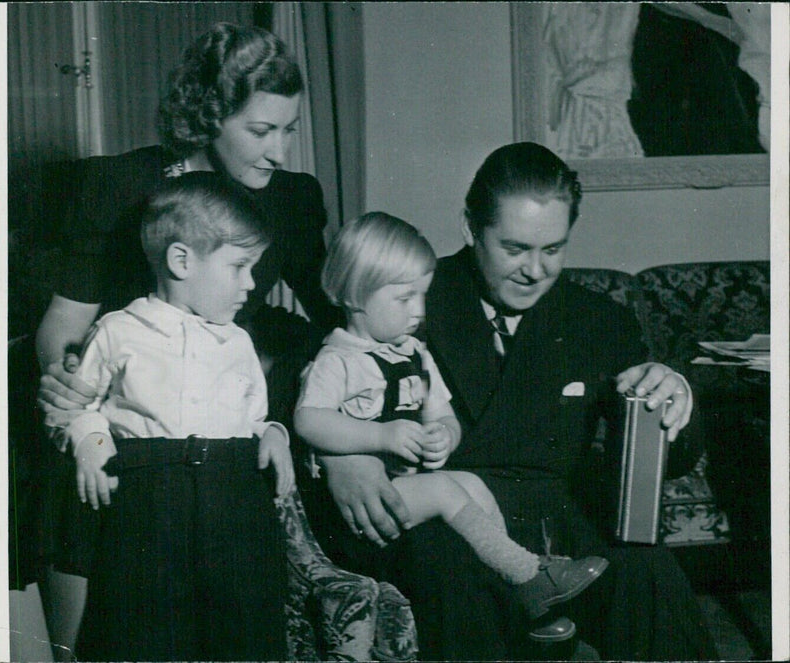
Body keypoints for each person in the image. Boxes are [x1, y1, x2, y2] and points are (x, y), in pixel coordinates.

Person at [304, 143, 719, 660]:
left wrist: (674, 399)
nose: (535, 271)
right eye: (515, 249)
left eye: (553, 250)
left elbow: (672, 461)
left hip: (557, 516)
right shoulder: (411, 296)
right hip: (447, 521)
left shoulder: (598, 319)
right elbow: (324, 372)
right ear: (471, 230)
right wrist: (345, 456)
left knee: (647, 571)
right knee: (452, 578)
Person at [30, 22, 340, 658]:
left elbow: (336, 318)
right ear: (207, 117)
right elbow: (64, 329)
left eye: (290, 129)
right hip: (127, 391)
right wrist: (68, 383)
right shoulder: (121, 187)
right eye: (261, 130)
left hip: (235, 399)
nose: (280, 150)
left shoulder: (293, 201)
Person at [295, 212, 608, 643]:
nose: (419, 311)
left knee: (474, 486)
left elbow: (441, 411)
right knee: (446, 492)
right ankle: (529, 577)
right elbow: (308, 420)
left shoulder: (414, 354)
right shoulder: (338, 360)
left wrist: (446, 434)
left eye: (422, 296)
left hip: (407, 490)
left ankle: (523, 587)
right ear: (354, 295)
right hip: (363, 509)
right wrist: (381, 437)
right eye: (404, 299)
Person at [46, 173, 294, 661]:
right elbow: (76, 406)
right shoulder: (119, 330)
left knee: (239, 628)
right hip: (148, 501)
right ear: (182, 261)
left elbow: (252, 417)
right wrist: (91, 441)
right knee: (144, 626)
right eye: (240, 267)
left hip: (230, 498)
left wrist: (274, 435)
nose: (251, 284)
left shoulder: (238, 342)